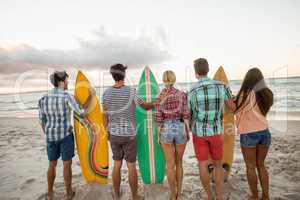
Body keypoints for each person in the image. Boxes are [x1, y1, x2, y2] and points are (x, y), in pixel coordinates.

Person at [38, 71, 95, 200]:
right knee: (66, 164)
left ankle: (50, 193)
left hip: (50, 137)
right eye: (67, 81)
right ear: (61, 82)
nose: (68, 83)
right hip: (65, 137)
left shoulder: (43, 99)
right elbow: (81, 112)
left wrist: (48, 133)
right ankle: (69, 193)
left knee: (51, 164)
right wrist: (91, 96)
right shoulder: (66, 97)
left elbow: (42, 121)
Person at [102, 64, 152, 200]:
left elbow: (104, 115)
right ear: (123, 74)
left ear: (113, 76)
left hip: (114, 135)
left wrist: (107, 131)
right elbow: (145, 107)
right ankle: (135, 196)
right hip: (130, 135)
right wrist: (157, 101)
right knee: (131, 166)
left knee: (117, 164)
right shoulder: (131, 92)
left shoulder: (106, 94)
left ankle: (117, 195)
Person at [188, 58, 234, 200]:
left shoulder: (192, 90)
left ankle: (209, 195)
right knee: (218, 164)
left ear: (196, 72)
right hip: (216, 131)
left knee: (202, 164)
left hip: (199, 132)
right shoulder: (222, 86)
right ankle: (219, 196)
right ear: (208, 69)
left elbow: (189, 114)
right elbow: (232, 107)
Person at [234, 68, 273, 200]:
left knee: (250, 167)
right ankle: (266, 196)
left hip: (249, 134)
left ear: (247, 80)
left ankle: (255, 196)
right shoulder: (267, 94)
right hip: (264, 133)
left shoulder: (244, 94)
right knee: (261, 165)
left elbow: (234, 109)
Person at [154, 70, 190, 200]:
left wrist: (158, 135)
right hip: (180, 127)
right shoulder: (181, 94)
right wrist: (187, 130)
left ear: (164, 80)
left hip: (166, 128)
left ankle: (172, 195)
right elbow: (186, 114)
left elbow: (158, 118)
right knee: (179, 163)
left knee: (170, 165)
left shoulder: (159, 97)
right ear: (174, 79)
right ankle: (179, 194)